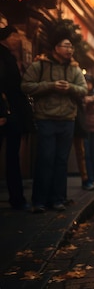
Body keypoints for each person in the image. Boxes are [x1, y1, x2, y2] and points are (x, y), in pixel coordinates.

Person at [21, 32, 87, 213]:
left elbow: (83, 89)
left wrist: (70, 88)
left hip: (67, 120)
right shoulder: (40, 66)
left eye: (71, 47)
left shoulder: (74, 69)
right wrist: (50, 85)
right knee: (45, 159)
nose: (69, 50)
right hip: (46, 119)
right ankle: (40, 201)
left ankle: (58, 199)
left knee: (61, 161)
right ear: (56, 48)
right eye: (66, 46)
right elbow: (26, 86)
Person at [0, 25, 32, 210]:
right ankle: (17, 198)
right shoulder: (3, 57)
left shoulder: (12, 58)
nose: (18, 39)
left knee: (13, 157)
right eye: (15, 36)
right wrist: (2, 112)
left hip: (13, 115)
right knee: (12, 157)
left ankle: (17, 198)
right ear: (7, 37)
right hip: (6, 114)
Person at [82, 74, 94, 190]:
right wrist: (85, 102)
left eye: (89, 82)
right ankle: (88, 179)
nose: (88, 85)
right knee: (86, 155)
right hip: (84, 128)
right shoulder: (81, 95)